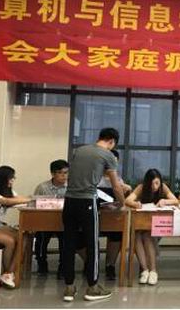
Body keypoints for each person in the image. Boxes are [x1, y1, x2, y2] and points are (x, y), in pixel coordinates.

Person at [62, 128, 125, 302]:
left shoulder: (79, 150)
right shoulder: (108, 155)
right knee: (92, 245)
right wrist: (122, 203)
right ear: (112, 141)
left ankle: (69, 287)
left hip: (69, 201)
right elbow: (116, 186)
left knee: (69, 243)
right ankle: (93, 287)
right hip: (88, 201)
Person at [125, 168, 178, 285]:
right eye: (152, 184)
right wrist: (135, 203)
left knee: (147, 235)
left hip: (157, 225)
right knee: (136, 235)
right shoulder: (141, 187)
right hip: (142, 223)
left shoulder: (163, 187)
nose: (154, 186)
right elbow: (127, 200)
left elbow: (176, 201)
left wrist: (165, 201)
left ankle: (153, 271)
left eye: (157, 183)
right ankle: (145, 270)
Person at [96, 149, 132, 280]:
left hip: (112, 215)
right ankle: (90, 263)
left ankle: (110, 265)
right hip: (95, 214)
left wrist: (127, 191)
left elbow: (123, 201)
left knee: (117, 233)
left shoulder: (118, 179)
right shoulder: (95, 177)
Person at [33, 159, 69, 278]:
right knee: (41, 238)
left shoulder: (71, 187)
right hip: (45, 221)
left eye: (66, 173)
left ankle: (63, 267)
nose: (64, 176)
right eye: (60, 173)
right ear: (53, 174)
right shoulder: (42, 187)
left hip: (63, 221)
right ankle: (42, 264)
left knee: (66, 240)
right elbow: (34, 205)